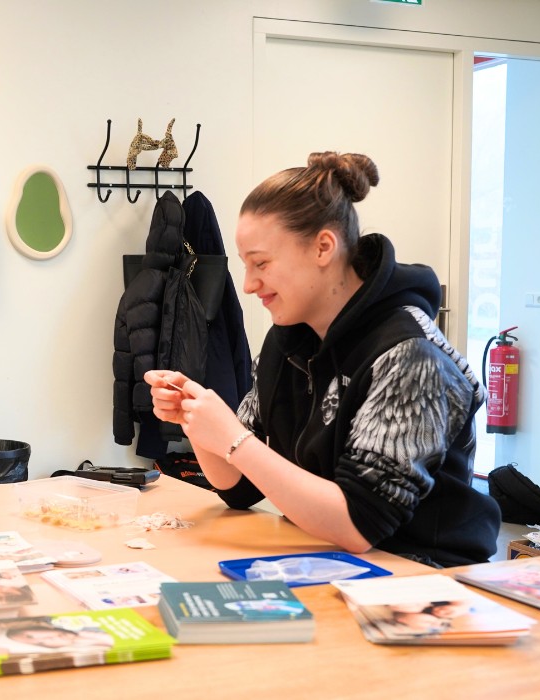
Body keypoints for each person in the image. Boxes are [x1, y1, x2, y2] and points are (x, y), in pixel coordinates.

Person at [147, 151, 501, 567]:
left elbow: (358, 525)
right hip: (326, 556)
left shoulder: (411, 354)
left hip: (420, 574)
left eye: (261, 263)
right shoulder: (287, 341)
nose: (248, 284)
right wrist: (196, 419)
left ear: (323, 247)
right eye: (246, 266)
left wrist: (233, 439)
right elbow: (238, 486)